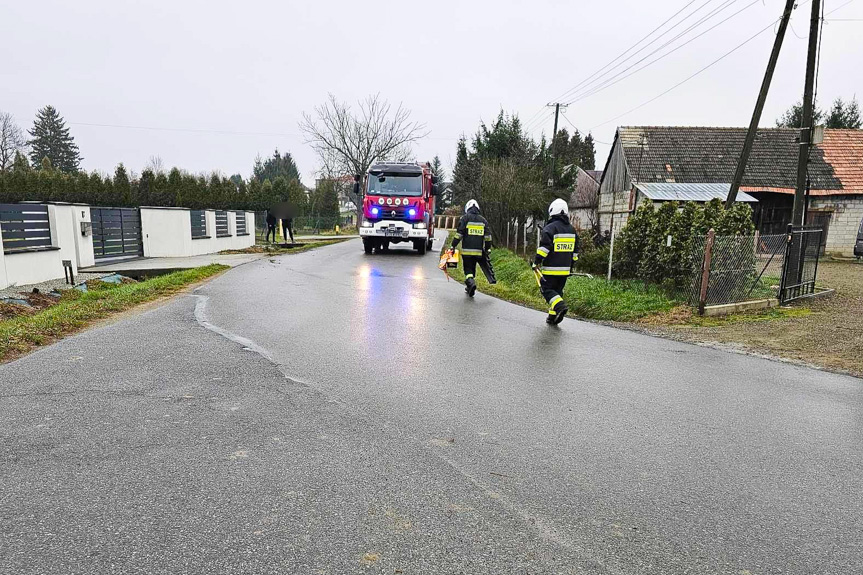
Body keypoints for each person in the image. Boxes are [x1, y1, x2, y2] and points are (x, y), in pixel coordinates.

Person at [533, 198, 578, 325]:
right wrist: (571, 267)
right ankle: (552, 317)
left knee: (546, 289)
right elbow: (575, 253)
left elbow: (544, 249)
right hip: (565, 270)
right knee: (557, 291)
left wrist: (536, 262)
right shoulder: (572, 230)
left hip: (551, 269)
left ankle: (560, 307)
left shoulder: (550, 228)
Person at [449, 199, 494, 297]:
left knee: (468, 268)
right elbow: (488, 237)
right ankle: (469, 286)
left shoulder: (465, 218)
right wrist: (487, 249)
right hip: (478, 252)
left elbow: (459, 234)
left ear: (467, 208)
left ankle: (470, 282)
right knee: (472, 267)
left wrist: (453, 245)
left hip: (467, 251)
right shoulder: (483, 220)